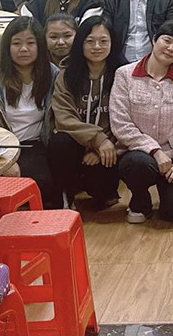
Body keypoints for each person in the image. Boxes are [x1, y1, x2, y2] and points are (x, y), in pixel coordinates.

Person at [109, 20, 173, 224]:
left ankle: (170, 194)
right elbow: (120, 124)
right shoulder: (125, 74)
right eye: (167, 41)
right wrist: (155, 151)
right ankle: (140, 200)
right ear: (153, 40)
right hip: (138, 154)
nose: (171, 48)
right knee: (137, 165)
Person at [0, 17, 61, 208]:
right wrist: (5, 159)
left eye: (30, 43)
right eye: (16, 43)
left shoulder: (52, 74)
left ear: (40, 45)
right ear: (7, 47)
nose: (24, 49)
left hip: (34, 144)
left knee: (42, 184)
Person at [48, 15, 121, 209]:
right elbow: (64, 117)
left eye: (103, 41)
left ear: (112, 43)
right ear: (80, 43)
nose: (97, 47)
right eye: (90, 41)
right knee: (59, 141)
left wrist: (102, 146)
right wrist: (96, 140)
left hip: (109, 148)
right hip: (77, 145)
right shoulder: (66, 75)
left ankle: (103, 191)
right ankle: (64, 198)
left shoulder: (122, 74)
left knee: (102, 193)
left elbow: (126, 118)